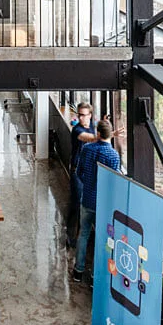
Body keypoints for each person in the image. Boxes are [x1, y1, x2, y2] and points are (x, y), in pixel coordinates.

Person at [72, 119, 122, 283]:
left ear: (98, 133)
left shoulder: (87, 149)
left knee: (83, 234)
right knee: (101, 239)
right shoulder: (113, 155)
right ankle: (95, 277)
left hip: (87, 199)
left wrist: (88, 185)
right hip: (104, 204)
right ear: (110, 134)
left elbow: (79, 173)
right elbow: (114, 182)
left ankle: (78, 271)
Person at [67, 102, 96, 247]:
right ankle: (71, 236)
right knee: (76, 203)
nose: (81, 118)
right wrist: (110, 134)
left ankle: (84, 234)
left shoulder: (93, 127)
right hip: (77, 172)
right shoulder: (77, 130)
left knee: (87, 205)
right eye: (79, 115)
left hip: (89, 172)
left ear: (90, 115)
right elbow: (90, 138)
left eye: (84, 115)